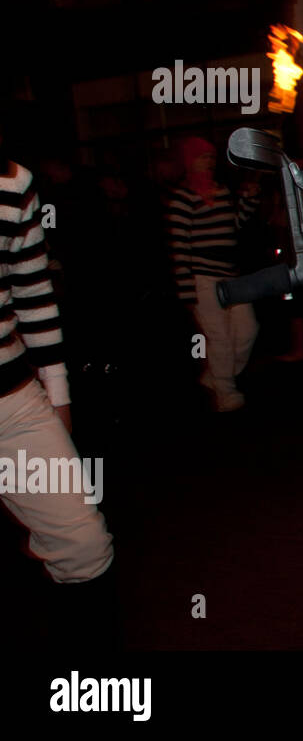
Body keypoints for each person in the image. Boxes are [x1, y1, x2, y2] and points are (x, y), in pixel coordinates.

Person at [1, 149, 117, 647]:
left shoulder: (13, 181)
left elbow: (32, 290)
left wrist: (57, 389)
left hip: (12, 400)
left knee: (84, 545)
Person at [165, 137, 260, 411]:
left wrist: (249, 201)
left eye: (210, 157)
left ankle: (218, 377)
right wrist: (187, 290)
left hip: (231, 274)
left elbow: (236, 225)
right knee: (217, 336)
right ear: (189, 161)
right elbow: (179, 246)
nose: (208, 162)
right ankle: (225, 392)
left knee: (247, 330)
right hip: (203, 277)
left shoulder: (222, 191)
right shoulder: (182, 198)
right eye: (202, 157)